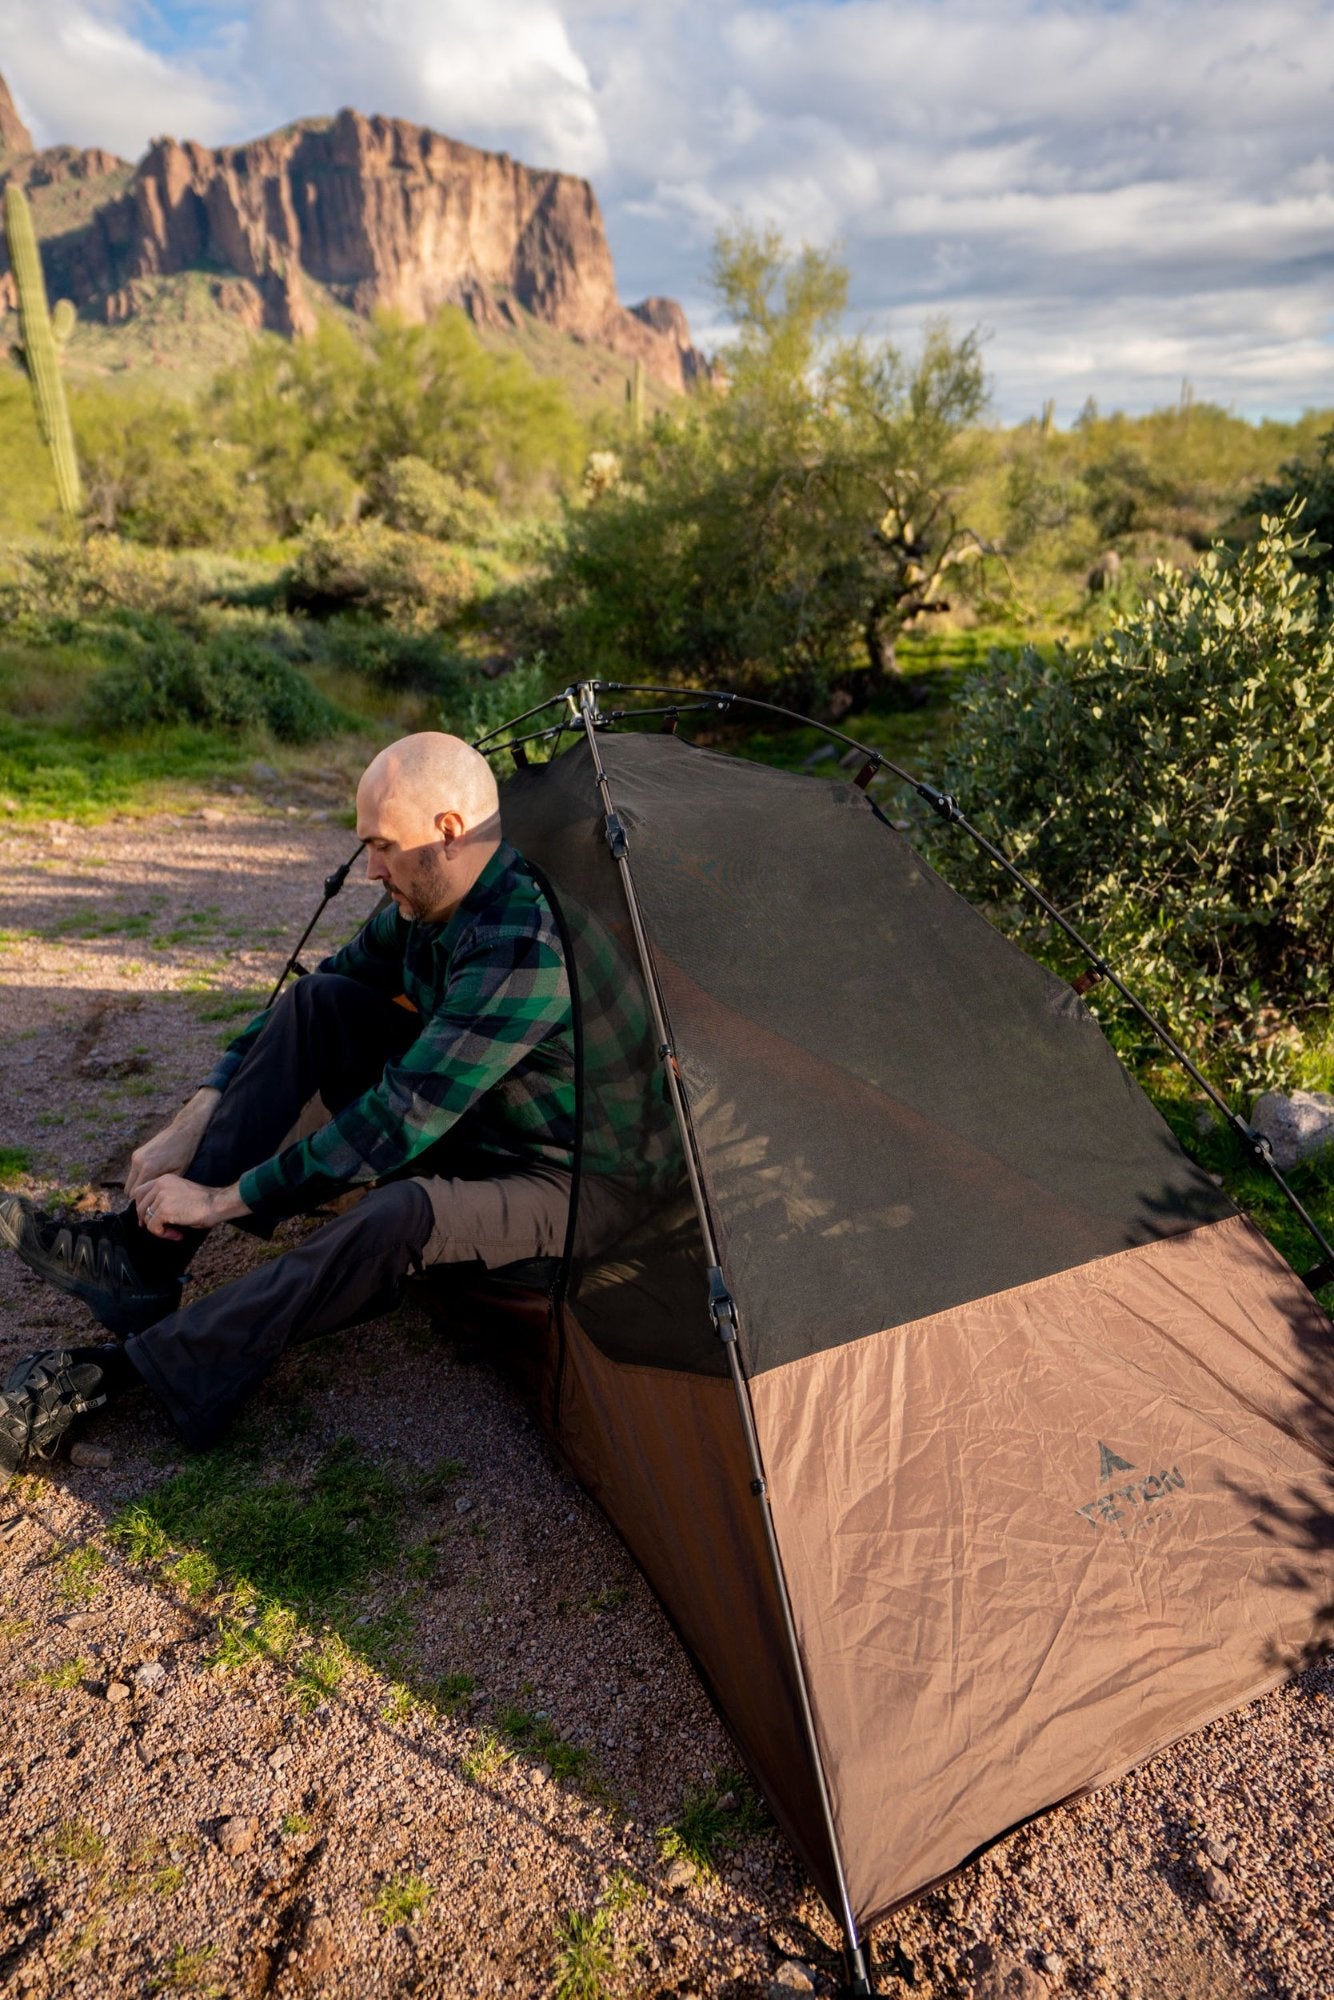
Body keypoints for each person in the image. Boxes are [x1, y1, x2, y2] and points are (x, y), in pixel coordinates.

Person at [0, 731, 586, 1487]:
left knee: (395, 1212)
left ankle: (135, 1371)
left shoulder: (518, 944)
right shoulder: (426, 908)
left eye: (382, 846)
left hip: (547, 1179)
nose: (371, 870)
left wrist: (219, 1199)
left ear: (447, 833)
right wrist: (194, 1116)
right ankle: (143, 1259)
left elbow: (395, 1124)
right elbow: (323, 981)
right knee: (321, 1001)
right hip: (466, 1121)